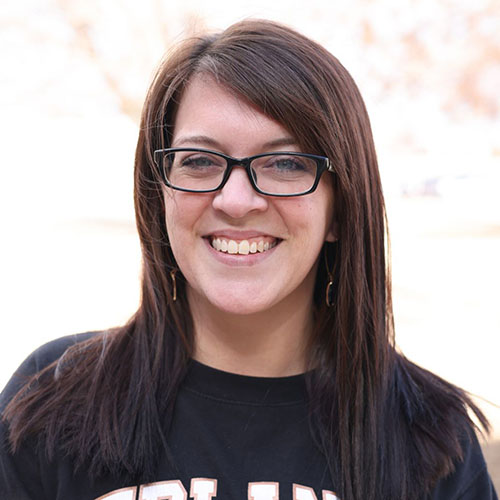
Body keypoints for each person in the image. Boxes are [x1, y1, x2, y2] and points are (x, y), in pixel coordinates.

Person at [0, 19, 497, 500]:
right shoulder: (53, 397)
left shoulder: (429, 435)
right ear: (160, 196)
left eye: (285, 163)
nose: (236, 201)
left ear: (342, 209)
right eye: (199, 160)